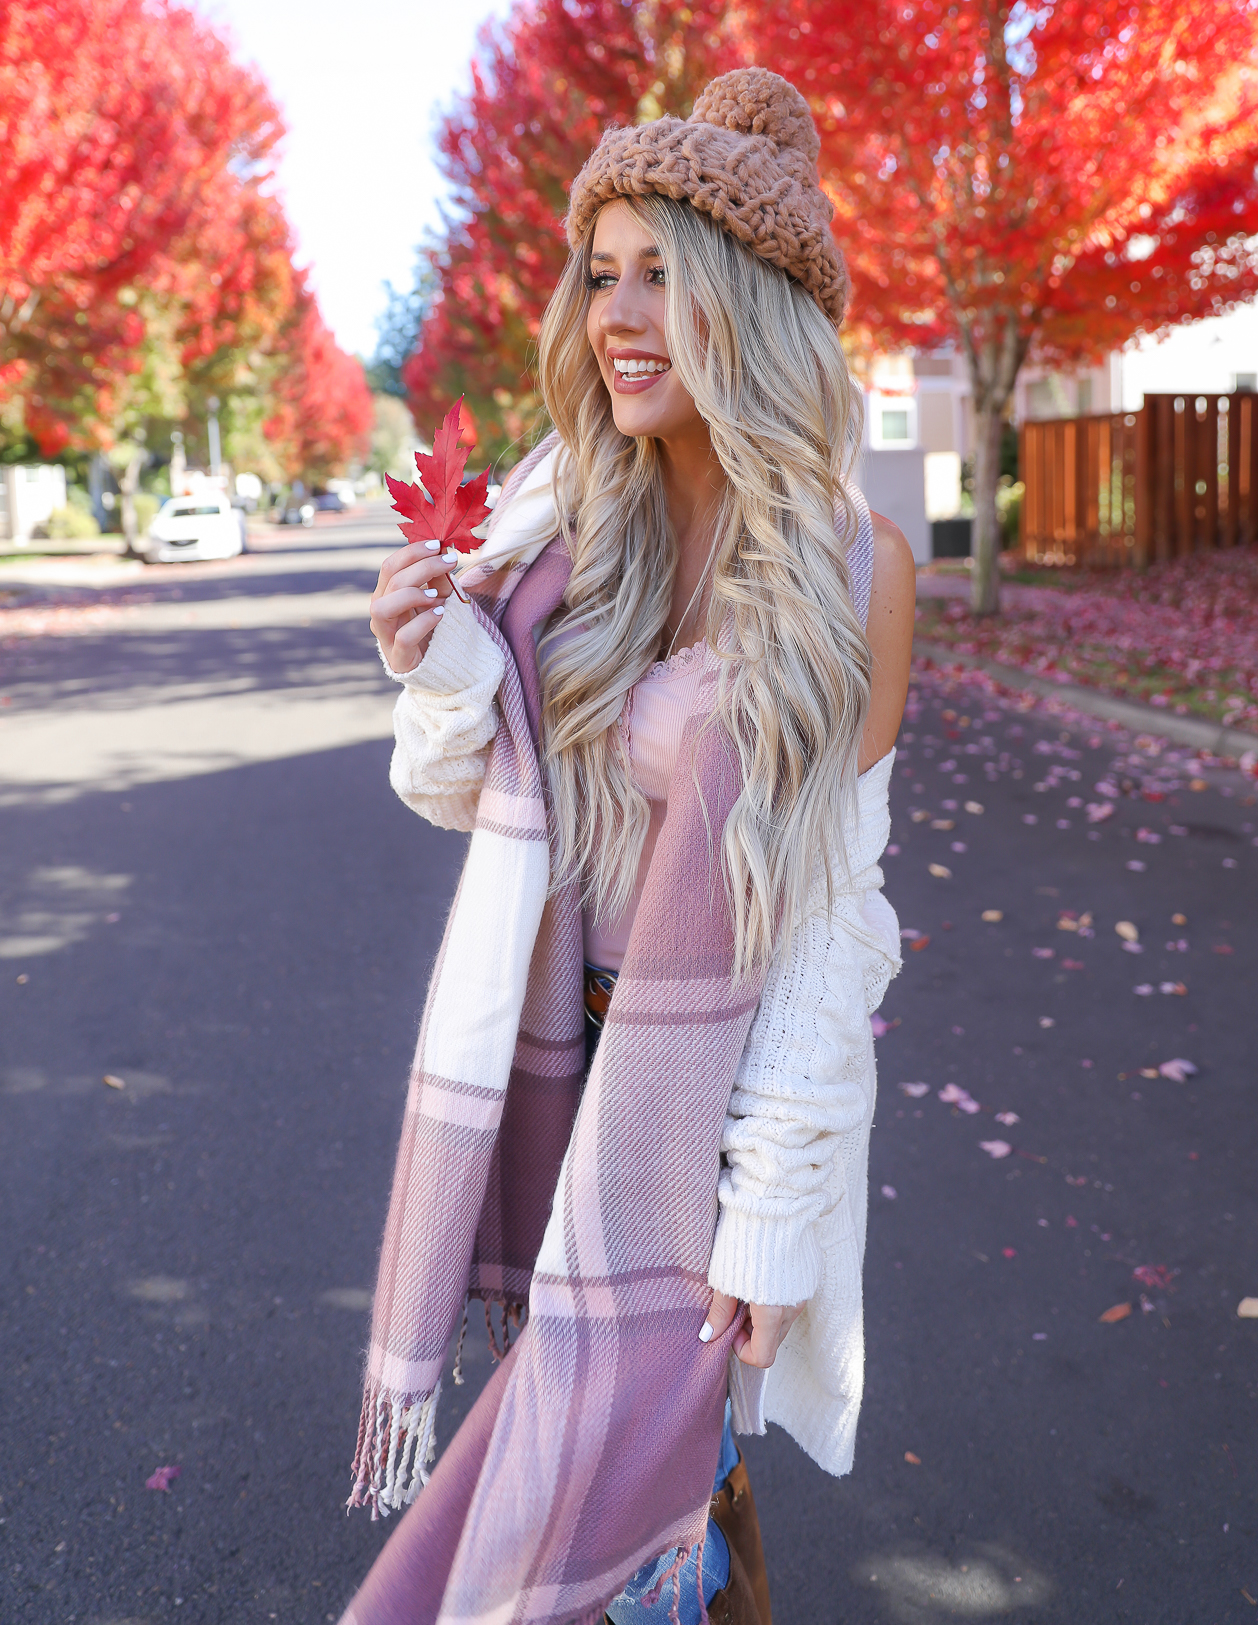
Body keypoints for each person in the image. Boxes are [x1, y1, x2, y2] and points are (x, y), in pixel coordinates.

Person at [347, 68, 913, 1625]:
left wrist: (776, 1204)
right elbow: (458, 796)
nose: (617, 310)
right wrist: (443, 669)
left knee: (591, 1513)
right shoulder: (556, 519)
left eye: (664, 266)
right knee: (636, 1492)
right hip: (551, 1082)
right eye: (601, 271)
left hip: (700, 1115)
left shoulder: (853, 575)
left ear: (753, 298)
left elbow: (832, 917)